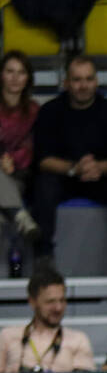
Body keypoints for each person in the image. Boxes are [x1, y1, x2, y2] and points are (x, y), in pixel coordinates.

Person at [29, 56, 107, 271]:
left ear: (96, 81)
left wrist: (99, 167)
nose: (83, 85)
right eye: (77, 80)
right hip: (65, 177)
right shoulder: (50, 111)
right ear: (66, 83)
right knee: (43, 186)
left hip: (101, 178)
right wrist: (74, 168)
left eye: (89, 79)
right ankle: (43, 257)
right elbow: (43, 160)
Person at [0, 267, 95, 373]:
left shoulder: (78, 340)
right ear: (32, 302)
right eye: (50, 302)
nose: (58, 308)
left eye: (62, 300)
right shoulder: (7, 336)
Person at [0, 50, 40, 244]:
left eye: (21, 72)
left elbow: (34, 147)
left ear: (27, 79)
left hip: (19, 175)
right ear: (1, 75)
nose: (15, 78)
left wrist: (12, 161)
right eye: (10, 71)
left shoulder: (34, 111)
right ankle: (20, 216)